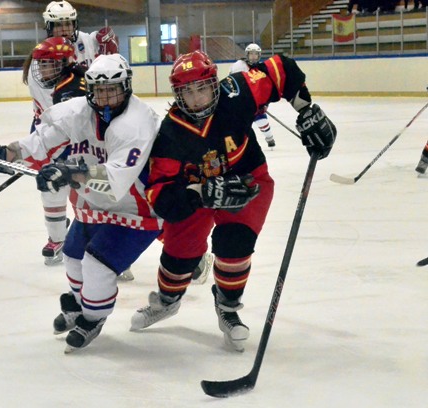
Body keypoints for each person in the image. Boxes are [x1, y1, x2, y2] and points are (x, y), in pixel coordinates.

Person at [130, 50, 336, 352]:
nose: (197, 98)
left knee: (234, 244)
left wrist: (305, 109)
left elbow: (281, 69)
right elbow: (159, 193)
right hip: (196, 193)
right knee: (179, 256)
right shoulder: (170, 133)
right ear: (177, 94)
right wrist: (199, 194)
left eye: (202, 88)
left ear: (215, 84)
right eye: (187, 92)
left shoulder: (236, 92)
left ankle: (227, 307)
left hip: (247, 181)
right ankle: (167, 301)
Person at [0, 54, 164, 353]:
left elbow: (115, 182)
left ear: (126, 86)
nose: (105, 97)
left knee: (97, 265)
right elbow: (40, 143)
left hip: (134, 209)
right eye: (99, 90)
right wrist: (3, 154)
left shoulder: (138, 123)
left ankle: (93, 317)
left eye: (113, 89)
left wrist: (69, 172)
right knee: (72, 257)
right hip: (91, 206)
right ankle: (80, 305)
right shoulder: (77, 112)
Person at [27, 0, 119, 267]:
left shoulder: (89, 41)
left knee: (95, 186)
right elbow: (59, 112)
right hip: (56, 126)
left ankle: (104, 240)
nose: (64, 29)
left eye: (68, 23)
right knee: (53, 185)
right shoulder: (41, 60)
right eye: (58, 24)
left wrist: (112, 54)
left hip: (91, 123)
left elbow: (112, 75)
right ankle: (57, 238)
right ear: (48, 26)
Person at [230, 43, 276, 149]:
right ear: (247, 55)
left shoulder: (262, 69)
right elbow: (233, 82)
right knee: (240, 123)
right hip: (241, 100)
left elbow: (266, 89)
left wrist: (265, 103)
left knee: (261, 120)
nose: (254, 56)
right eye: (251, 54)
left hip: (255, 100)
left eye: (256, 54)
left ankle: (269, 137)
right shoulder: (239, 65)